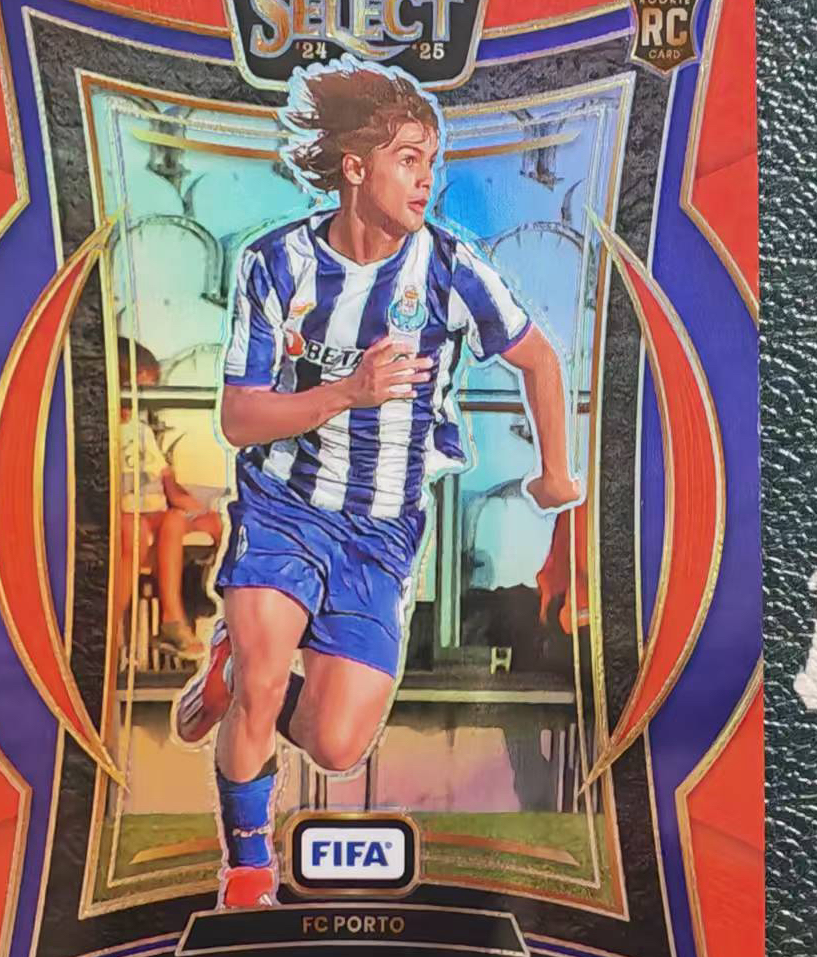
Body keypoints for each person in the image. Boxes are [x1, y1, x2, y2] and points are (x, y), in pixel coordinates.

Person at [173, 58, 581, 907]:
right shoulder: (275, 263)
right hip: (283, 508)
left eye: (432, 160)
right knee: (263, 691)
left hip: (381, 530)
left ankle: (233, 670)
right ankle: (247, 872)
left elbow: (539, 359)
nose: (426, 178)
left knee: (336, 744)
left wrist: (553, 472)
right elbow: (240, 418)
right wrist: (345, 393)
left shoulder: (448, 267)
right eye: (407, 158)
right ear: (355, 168)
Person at [115, 340, 222, 661]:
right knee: (131, 530)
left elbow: (168, 485)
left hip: (153, 511)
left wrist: (202, 511)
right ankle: (111, 626)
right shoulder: (103, 430)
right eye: (138, 392)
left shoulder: (141, 431)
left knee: (181, 520)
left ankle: (174, 618)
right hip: (123, 514)